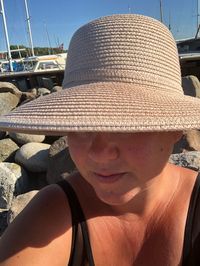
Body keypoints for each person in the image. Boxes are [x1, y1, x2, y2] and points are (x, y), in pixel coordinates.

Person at [0, 14, 200, 266]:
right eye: (82, 125)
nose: (99, 153)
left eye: (129, 125)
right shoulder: (51, 213)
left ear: (177, 129)